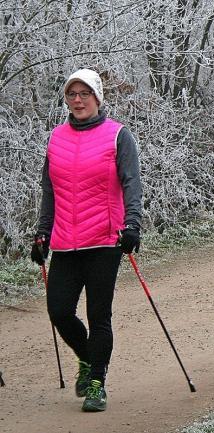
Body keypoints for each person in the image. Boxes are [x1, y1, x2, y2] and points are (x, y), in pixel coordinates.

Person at [30, 68, 143, 412]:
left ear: (97, 98)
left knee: (99, 316)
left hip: (104, 241)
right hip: (65, 240)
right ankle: (86, 357)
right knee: (59, 310)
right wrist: (42, 232)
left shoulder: (117, 136)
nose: (77, 100)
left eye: (84, 94)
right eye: (71, 95)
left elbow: (131, 182)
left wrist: (132, 224)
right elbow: (49, 190)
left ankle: (97, 382)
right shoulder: (56, 138)